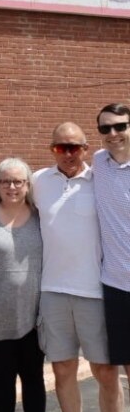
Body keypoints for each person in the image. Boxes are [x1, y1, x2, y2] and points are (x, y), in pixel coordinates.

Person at [33, 122, 122, 412]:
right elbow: (8, 202)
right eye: (61, 147)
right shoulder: (38, 181)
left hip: (95, 292)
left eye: (75, 147)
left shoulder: (102, 180)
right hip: (53, 292)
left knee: (106, 373)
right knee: (63, 371)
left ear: (86, 149)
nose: (68, 154)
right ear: (51, 149)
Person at [0, 157, 45, 412]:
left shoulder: (41, 216)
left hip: (34, 314)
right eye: (5, 181)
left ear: (27, 185)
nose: (12, 186)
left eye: (18, 181)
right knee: (2, 381)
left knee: (34, 381)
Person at [93, 103, 130, 391]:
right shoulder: (98, 163)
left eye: (120, 126)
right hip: (116, 285)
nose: (113, 133)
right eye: (106, 128)